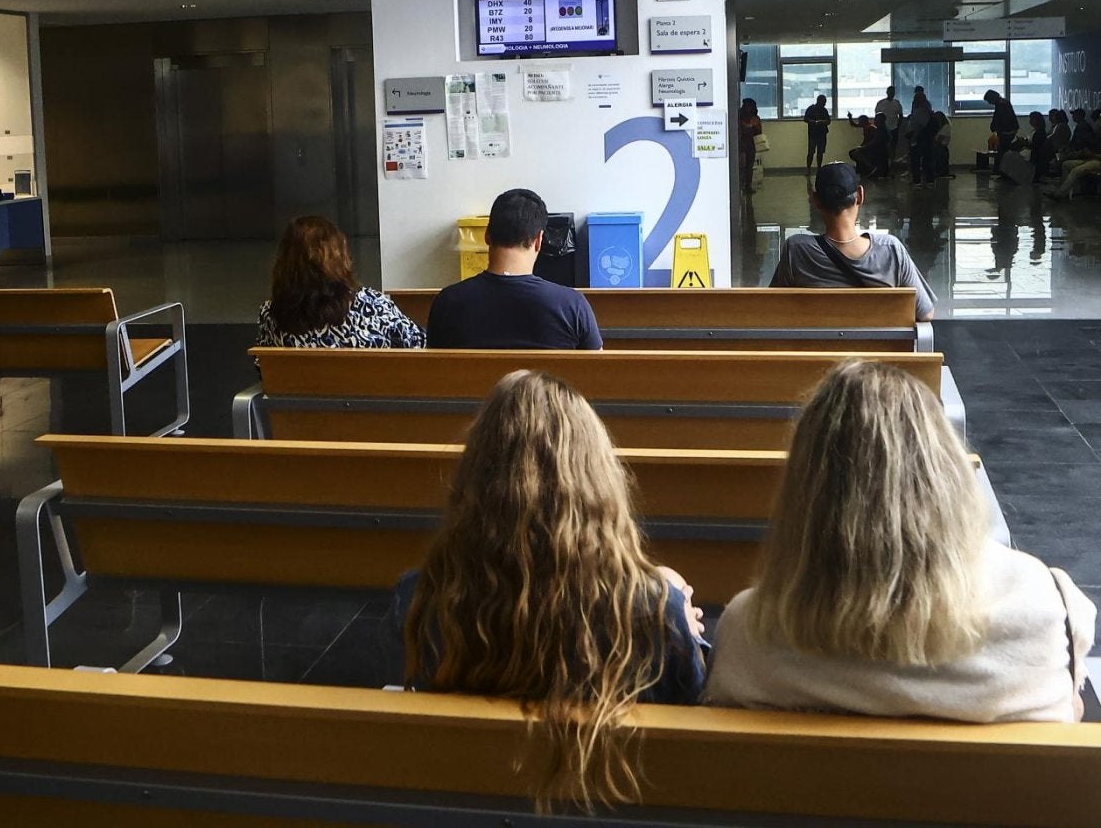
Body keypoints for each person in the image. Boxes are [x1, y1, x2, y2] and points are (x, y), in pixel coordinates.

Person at [707, 360, 1095, 723]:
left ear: (805, 492)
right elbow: (1068, 716)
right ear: (945, 473)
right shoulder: (1046, 604)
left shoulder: (748, 632)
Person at [392, 370, 707, 810]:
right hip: (613, 803)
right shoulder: (654, 608)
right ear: (598, 479)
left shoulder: (420, 599)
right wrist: (676, 619)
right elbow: (689, 728)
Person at [427, 189, 600, 349]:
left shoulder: (447, 302)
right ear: (539, 240)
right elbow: (599, 370)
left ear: (487, 235)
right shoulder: (572, 305)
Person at [770, 162, 934, 321]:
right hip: (878, 349)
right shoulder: (891, 250)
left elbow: (772, 306)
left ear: (815, 200)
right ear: (860, 196)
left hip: (817, 349)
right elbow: (925, 313)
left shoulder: (796, 250)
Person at [256, 215, 425, 350]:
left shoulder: (270, 314)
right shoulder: (373, 304)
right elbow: (419, 347)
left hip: (303, 393)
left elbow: (263, 368)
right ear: (340, 257)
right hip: (371, 391)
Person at [985, 89, 1019, 176]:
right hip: (1007, 132)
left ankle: (1002, 172)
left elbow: (1002, 120)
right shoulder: (1002, 103)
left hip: (1006, 132)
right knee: (1001, 151)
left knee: (1002, 152)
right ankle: (1001, 171)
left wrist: (996, 129)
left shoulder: (1002, 105)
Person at [737, 97, 763, 190]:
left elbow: (759, 131)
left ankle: (747, 186)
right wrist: (751, 126)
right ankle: (743, 185)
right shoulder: (739, 116)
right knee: (744, 166)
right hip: (742, 144)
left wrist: (752, 126)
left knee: (748, 166)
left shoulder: (754, 117)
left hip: (749, 144)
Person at [873, 85, 904, 160]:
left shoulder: (896, 103)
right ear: (887, 92)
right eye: (890, 92)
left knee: (893, 146)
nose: (892, 93)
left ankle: (892, 162)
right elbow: (877, 115)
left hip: (894, 128)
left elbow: (900, 115)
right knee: (882, 145)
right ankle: (884, 160)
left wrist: (898, 126)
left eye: (893, 92)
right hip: (883, 128)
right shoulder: (881, 103)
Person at [802, 93, 830, 171]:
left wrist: (822, 122)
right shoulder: (811, 109)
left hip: (822, 133)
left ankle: (819, 168)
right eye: (823, 102)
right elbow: (805, 119)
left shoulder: (824, 110)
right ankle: (808, 169)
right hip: (813, 134)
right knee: (811, 152)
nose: (824, 104)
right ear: (819, 101)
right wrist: (812, 122)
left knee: (820, 153)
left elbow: (828, 121)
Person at [933, 110, 953, 178]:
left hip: (941, 147)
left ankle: (942, 174)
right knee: (941, 163)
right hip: (941, 147)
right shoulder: (943, 127)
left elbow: (939, 139)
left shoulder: (946, 127)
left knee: (941, 162)